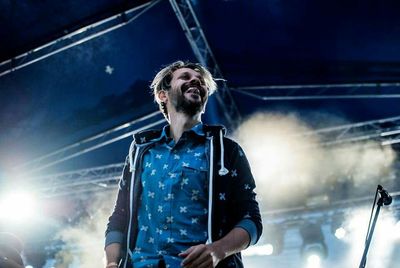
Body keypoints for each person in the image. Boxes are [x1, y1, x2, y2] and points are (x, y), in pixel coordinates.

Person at [105, 61, 262, 268]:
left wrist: (218, 250)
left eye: (201, 82)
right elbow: (119, 216)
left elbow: (251, 220)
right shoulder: (140, 152)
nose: (196, 80)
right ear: (163, 95)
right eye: (185, 77)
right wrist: (111, 263)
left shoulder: (228, 151)